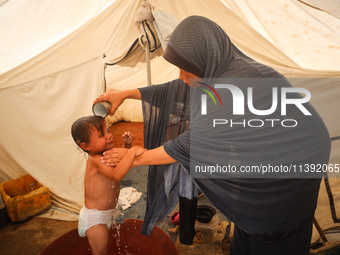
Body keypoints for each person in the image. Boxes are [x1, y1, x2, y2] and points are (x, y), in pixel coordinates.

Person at [93, 16, 331, 255]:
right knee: (249, 224)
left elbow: (188, 145)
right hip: (267, 158)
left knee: (273, 232)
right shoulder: (217, 69)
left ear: (203, 60)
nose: (182, 77)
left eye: (186, 71)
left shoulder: (238, 85)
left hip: (292, 170)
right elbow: (175, 89)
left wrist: (135, 156)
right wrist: (125, 93)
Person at [71, 115, 144, 255]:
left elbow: (118, 163)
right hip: (95, 219)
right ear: (86, 146)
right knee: (99, 252)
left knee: (103, 249)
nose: (109, 136)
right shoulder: (96, 160)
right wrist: (132, 151)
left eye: (108, 130)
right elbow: (116, 175)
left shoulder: (105, 154)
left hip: (104, 214)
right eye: (102, 135)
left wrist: (126, 147)